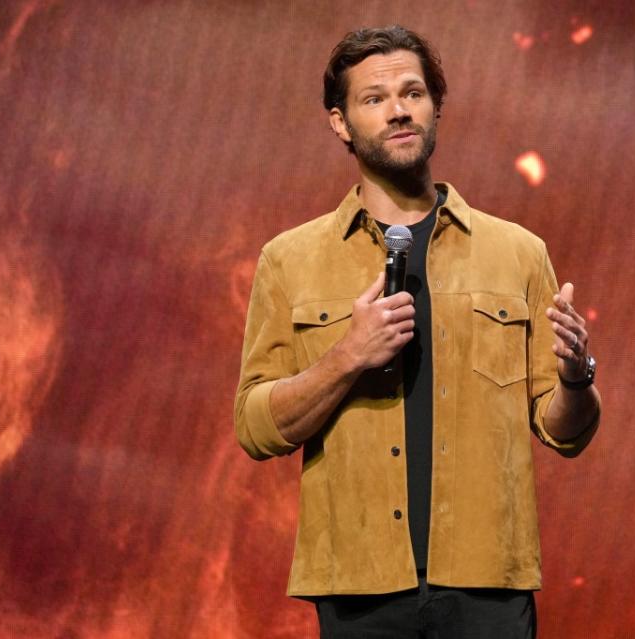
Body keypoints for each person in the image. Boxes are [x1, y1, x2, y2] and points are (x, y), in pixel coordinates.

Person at [234, 25, 601, 638]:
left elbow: (563, 433)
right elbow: (254, 426)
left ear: (435, 108)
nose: (399, 110)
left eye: (413, 93)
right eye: (374, 99)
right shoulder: (288, 260)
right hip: (359, 587)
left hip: (488, 585)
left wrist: (576, 376)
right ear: (340, 122)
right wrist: (346, 357)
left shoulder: (517, 253)